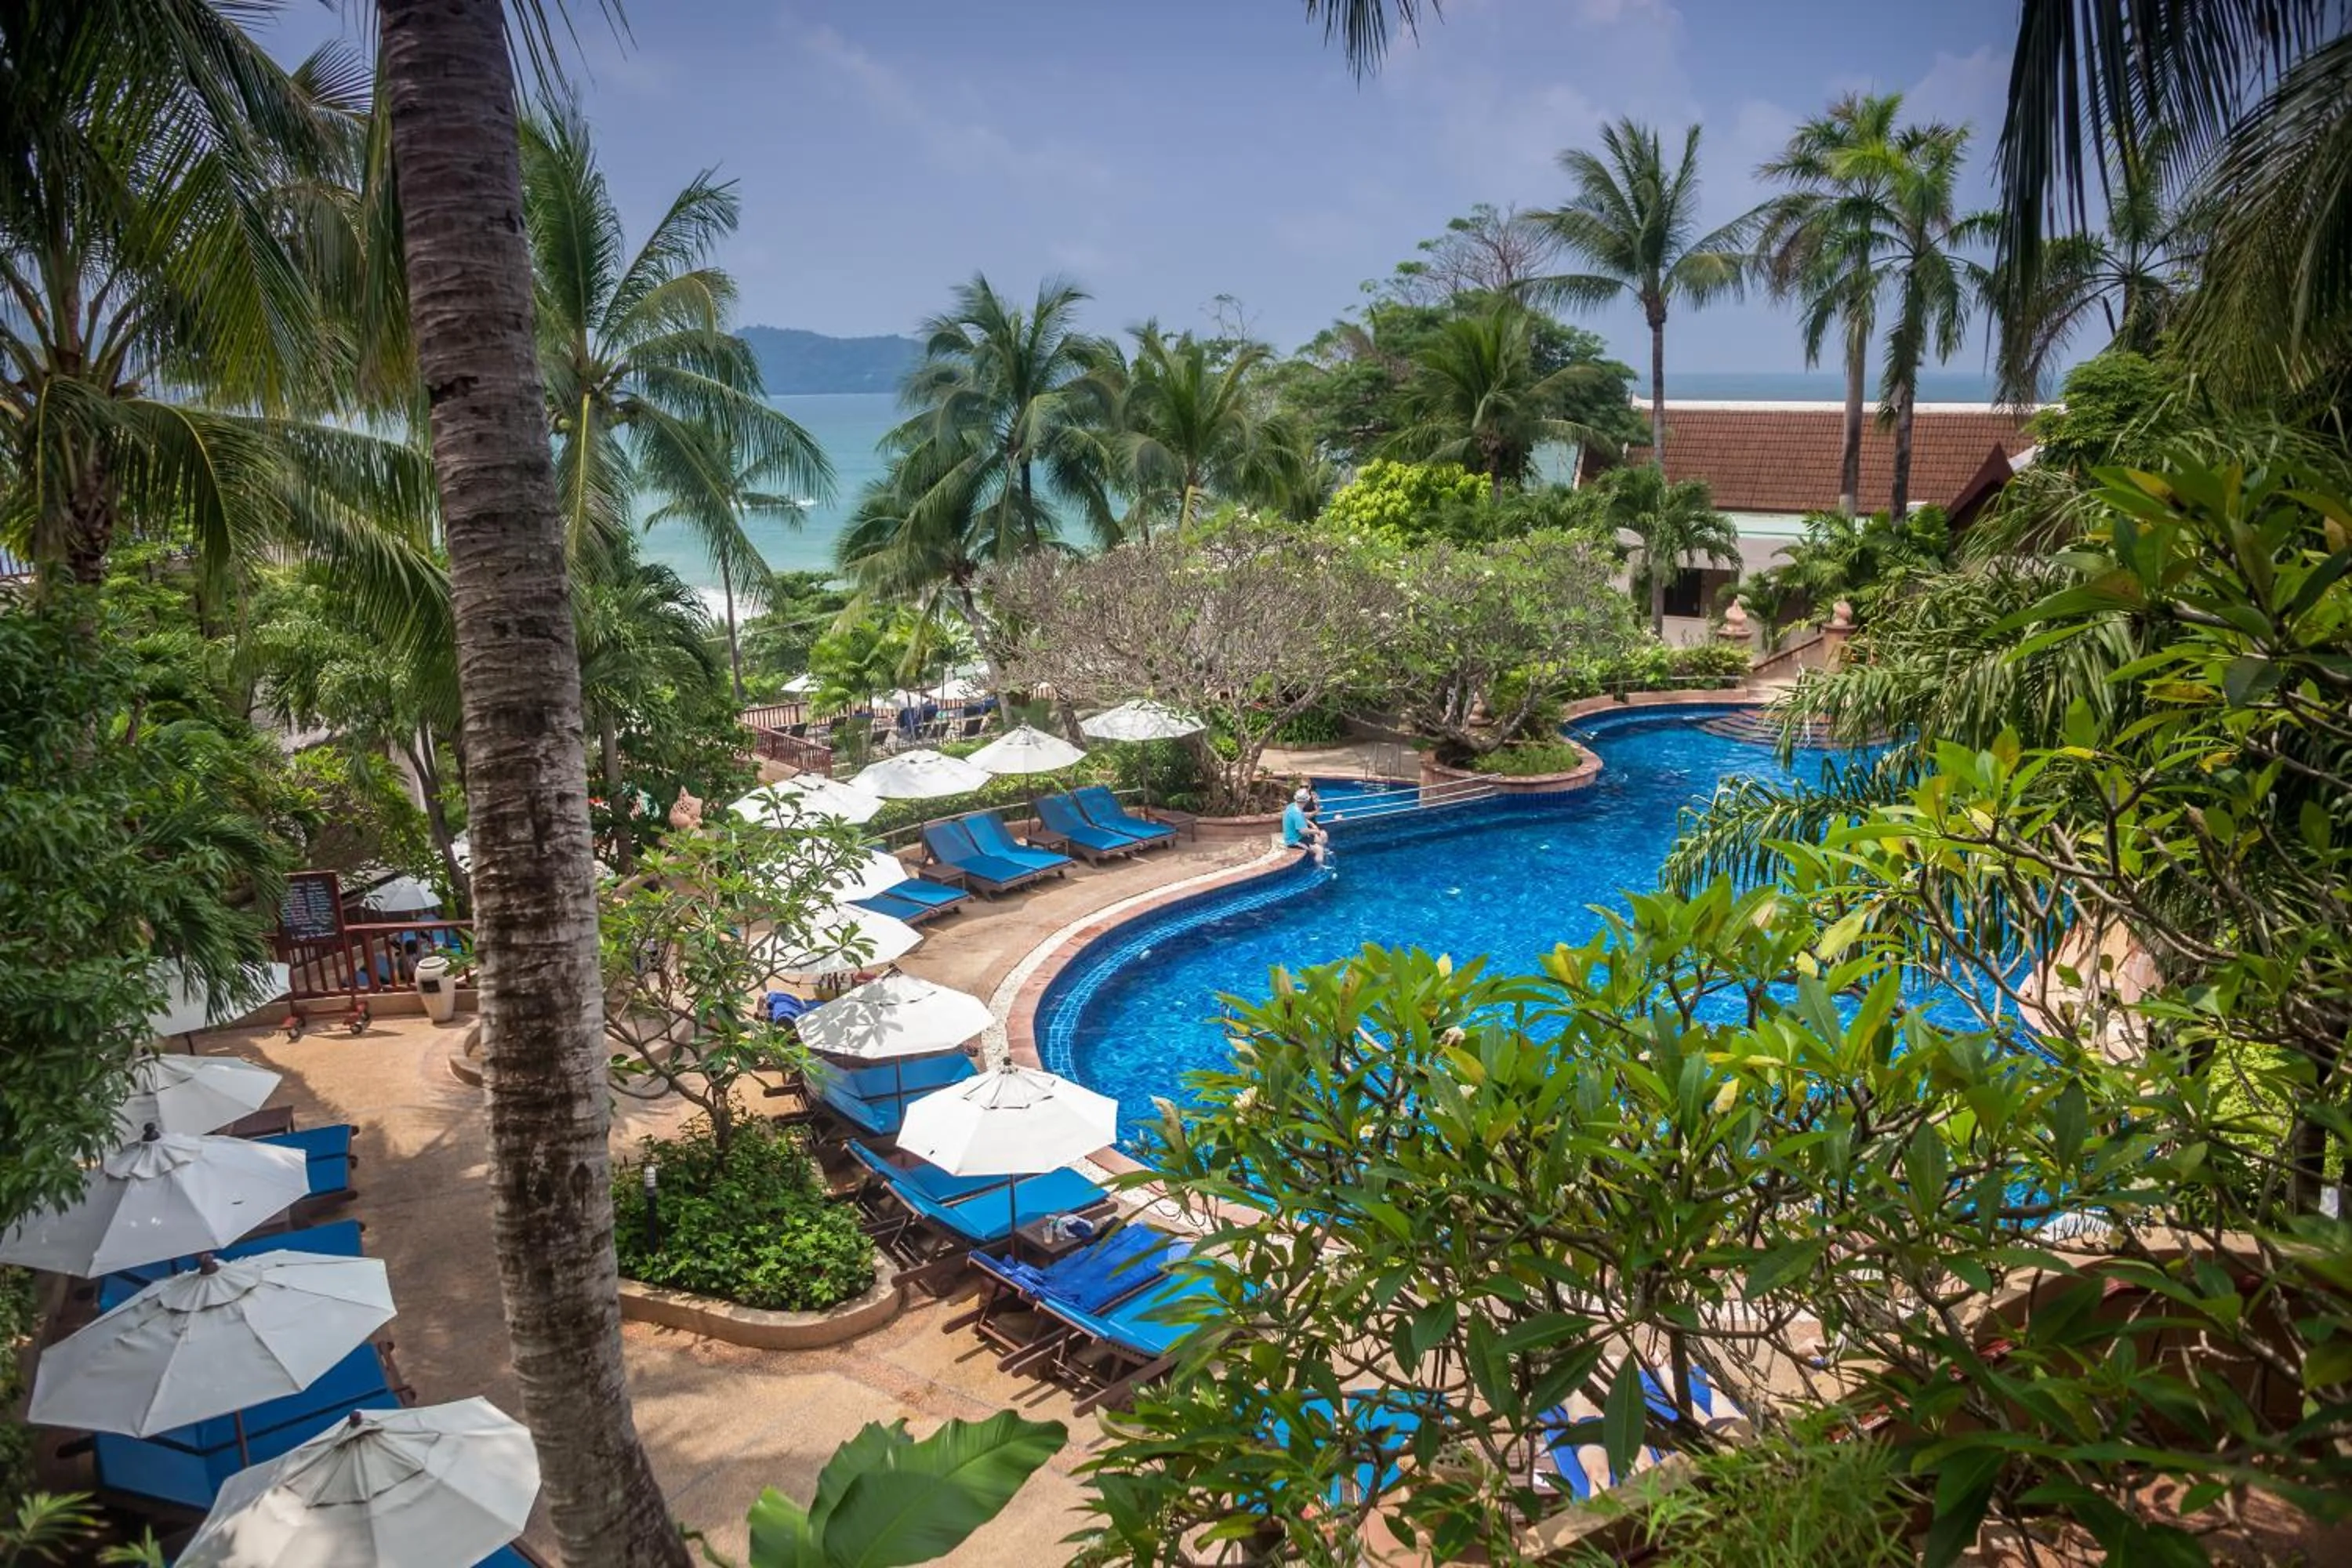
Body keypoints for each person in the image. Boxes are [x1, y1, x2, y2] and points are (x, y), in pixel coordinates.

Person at [1281, 786, 1329, 866]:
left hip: (1297, 836)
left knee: (1320, 840)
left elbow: (1303, 815)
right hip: (1294, 841)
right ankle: (1320, 868)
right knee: (1319, 849)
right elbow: (1303, 831)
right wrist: (1316, 831)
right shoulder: (1297, 814)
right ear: (1306, 800)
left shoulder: (1292, 806)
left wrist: (1312, 823)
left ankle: (1317, 857)